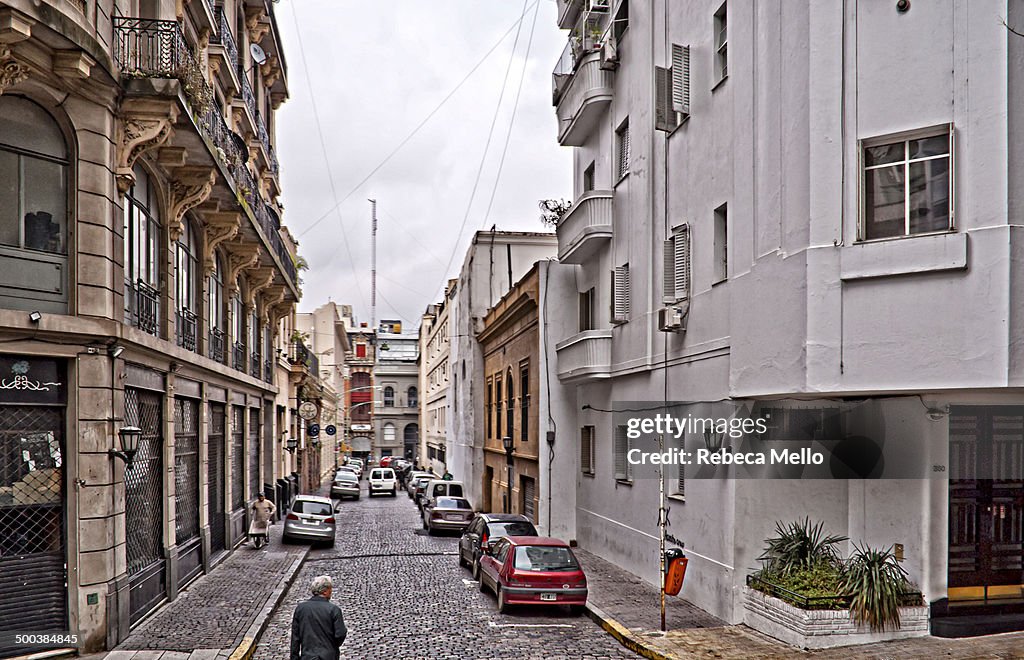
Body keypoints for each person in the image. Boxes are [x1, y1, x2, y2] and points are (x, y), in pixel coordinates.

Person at [291, 575, 347, 660]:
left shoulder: (300, 609)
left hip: (307, 656)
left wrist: (294, 657)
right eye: (330, 589)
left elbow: (295, 637)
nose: (331, 591)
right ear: (324, 591)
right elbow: (340, 634)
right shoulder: (333, 610)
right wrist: (332, 645)